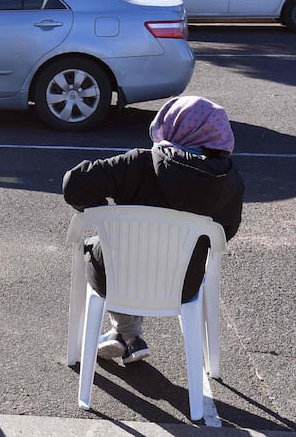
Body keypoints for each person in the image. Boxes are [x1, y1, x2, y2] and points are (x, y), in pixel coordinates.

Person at [62, 96, 244, 364]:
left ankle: (125, 333)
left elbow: (74, 185)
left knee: (107, 249)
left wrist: (99, 211)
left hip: (117, 277)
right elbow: (224, 235)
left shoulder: (139, 163)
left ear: (171, 125)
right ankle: (127, 336)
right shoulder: (229, 181)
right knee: (143, 258)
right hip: (181, 283)